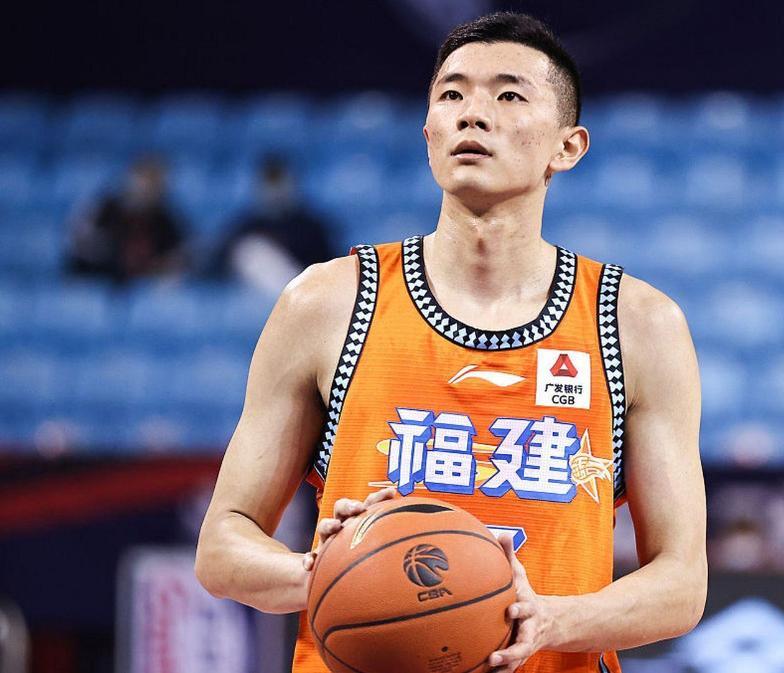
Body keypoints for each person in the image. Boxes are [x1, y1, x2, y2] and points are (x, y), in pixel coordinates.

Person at [195, 11, 707, 673]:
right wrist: (331, 572)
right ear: (428, 133)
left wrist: (549, 619)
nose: (473, 113)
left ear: (568, 147)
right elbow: (223, 545)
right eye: (452, 94)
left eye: (509, 95)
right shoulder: (326, 302)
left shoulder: (637, 323)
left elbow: (681, 583)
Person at [211, 155, 342, 294]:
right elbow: (217, 265)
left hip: (303, 293)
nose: (275, 190)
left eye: (279, 181)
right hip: (256, 295)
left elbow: (332, 269)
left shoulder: (311, 228)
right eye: (270, 181)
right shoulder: (247, 227)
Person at [66, 155, 187, 283]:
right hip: (100, 280)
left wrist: (165, 265)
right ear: (132, 179)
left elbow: (181, 254)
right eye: (147, 181)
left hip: (146, 285)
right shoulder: (105, 208)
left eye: (157, 183)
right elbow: (80, 245)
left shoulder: (165, 217)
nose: (150, 189)